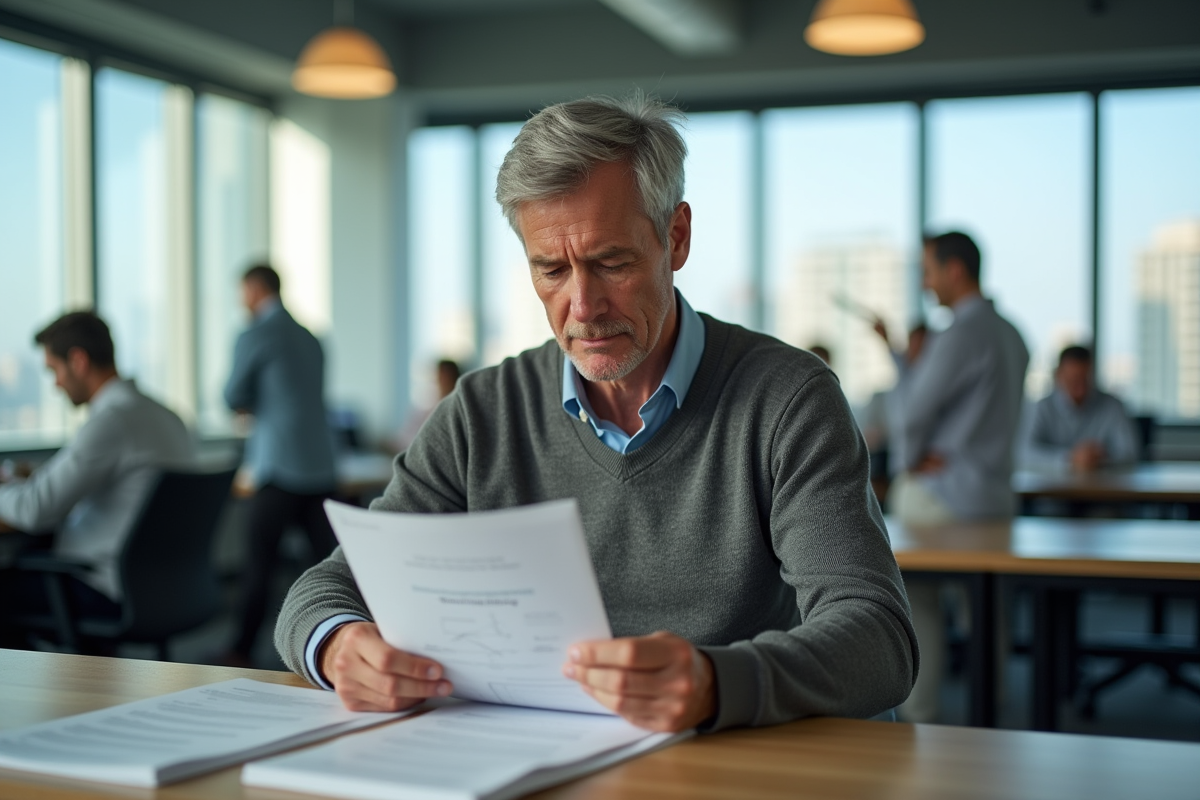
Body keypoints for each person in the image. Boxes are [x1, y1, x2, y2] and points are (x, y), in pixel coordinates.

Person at [275, 95, 917, 734]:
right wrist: (337, 647)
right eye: (551, 269)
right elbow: (322, 592)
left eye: (611, 263)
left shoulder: (787, 398)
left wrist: (715, 683)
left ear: (677, 237)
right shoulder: (483, 411)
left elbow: (878, 638)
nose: (582, 306)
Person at [889, 232, 1029, 723]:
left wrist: (908, 463)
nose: (925, 283)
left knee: (911, 591)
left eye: (928, 271)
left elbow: (913, 412)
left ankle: (918, 713)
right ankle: (996, 705)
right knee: (987, 605)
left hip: (948, 497)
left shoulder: (959, 335)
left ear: (954, 271)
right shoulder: (1014, 334)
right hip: (996, 498)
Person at [0, 312, 193, 645]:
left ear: (78, 360)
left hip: (101, 588)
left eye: (54, 371)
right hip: (164, 589)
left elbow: (34, 510)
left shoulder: (112, 421)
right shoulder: (167, 416)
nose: (56, 383)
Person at [223, 264, 339, 666]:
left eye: (242, 292)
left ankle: (239, 649)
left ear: (255, 289)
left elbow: (233, 394)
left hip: (279, 465)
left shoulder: (256, 334)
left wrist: (254, 406)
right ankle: (335, 646)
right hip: (321, 464)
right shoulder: (312, 338)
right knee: (328, 565)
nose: (241, 301)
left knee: (259, 564)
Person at [1021, 345, 1139, 472]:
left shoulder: (1113, 406)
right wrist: (1070, 458)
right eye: (1073, 381)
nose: (1080, 391)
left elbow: (1130, 452)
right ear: (1058, 375)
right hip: (1052, 489)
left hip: (1103, 489)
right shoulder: (1041, 408)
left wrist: (1098, 458)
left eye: (1085, 381)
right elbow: (1023, 453)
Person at [390, 359, 461, 452]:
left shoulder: (457, 407)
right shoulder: (427, 405)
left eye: (446, 376)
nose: (442, 380)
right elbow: (408, 434)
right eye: (440, 376)